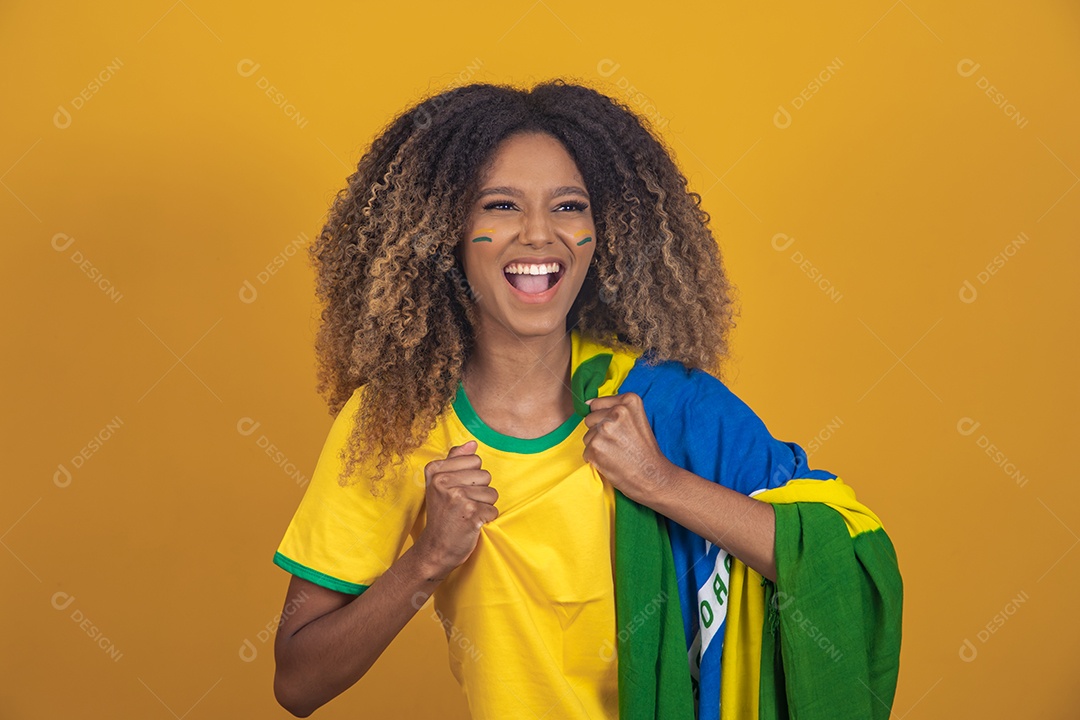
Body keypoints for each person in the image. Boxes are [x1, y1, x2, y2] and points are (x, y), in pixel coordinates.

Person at [270, 79, 902, 720]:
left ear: (603, 233)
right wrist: (427, 560)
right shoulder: (396, 423)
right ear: (445, 235)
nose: (539, 235)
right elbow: (298, 681)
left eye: (569, 207)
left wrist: (660, 482)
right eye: (501, 206)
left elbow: (842, 558)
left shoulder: (663, 399)